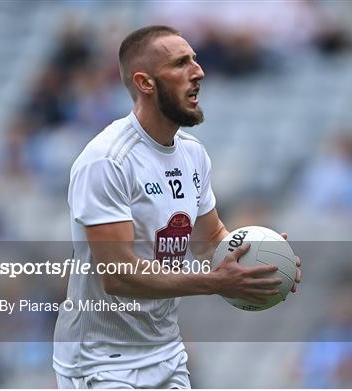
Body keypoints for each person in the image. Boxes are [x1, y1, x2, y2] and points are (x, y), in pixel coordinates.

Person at [53, 25, 301, 389]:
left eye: (196, 61)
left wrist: (259, 260)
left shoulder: (192, 154)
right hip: (101, 363)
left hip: (166, 354)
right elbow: (116, 275)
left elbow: (210, 237)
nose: (198, 72)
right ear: (145, 83)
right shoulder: (107, 161)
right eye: (181, 63)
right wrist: (216, 282)